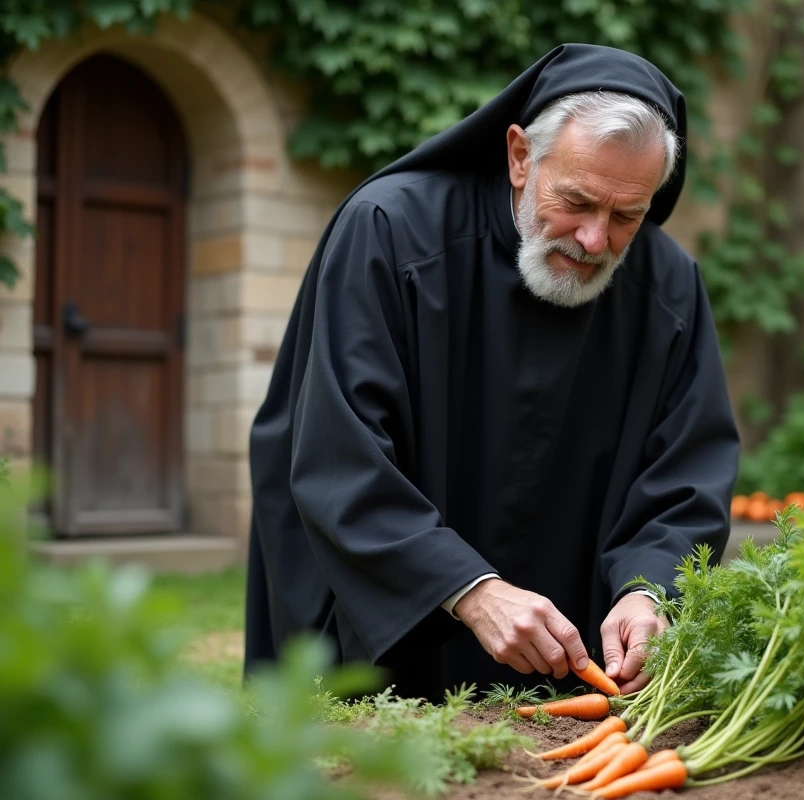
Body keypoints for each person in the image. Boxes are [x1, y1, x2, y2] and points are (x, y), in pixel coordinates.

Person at [243, 43, 740, 701]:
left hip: (573, 663)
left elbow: (684, 471)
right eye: (577, 201)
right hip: (393, 642)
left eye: (627, 216)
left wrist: (648, 589)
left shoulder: (669, 286)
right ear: (519, 155)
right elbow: (342, 452)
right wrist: (467, 587)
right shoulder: (389, 231)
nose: (595, 241)